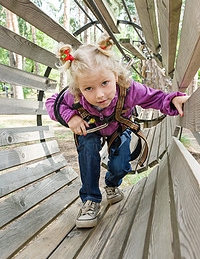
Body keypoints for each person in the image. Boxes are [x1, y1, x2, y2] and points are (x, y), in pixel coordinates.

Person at [45, 33, 188, 228]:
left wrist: (172, 100)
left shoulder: (129, 89)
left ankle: (112, 185)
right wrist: (71, 117)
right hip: (90, 129)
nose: (100, 94)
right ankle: (90, 200)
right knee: (88, 149)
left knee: (120, 164)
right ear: (78, 87)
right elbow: (52, 102)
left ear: (115, 75)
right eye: (89, 88)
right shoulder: (74, 95)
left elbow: (154, 98)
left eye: (105, 83)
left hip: (119, 128)